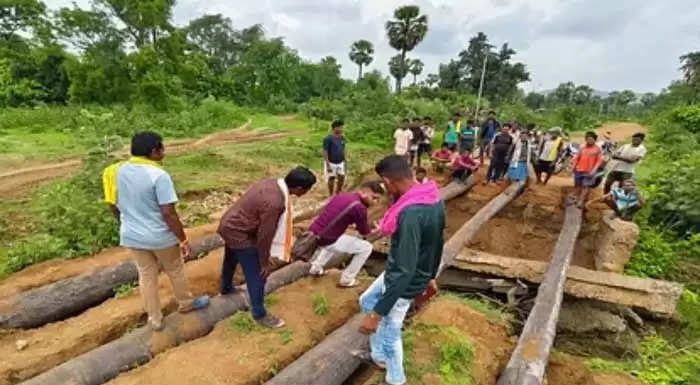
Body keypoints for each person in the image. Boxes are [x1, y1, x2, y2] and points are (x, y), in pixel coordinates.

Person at [102, 131, 210, 331]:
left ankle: (155, 318)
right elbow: (168, 213)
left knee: (146, 275)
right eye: (162, 148)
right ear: (153, 151)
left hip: (132, 236)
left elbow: (112, 205)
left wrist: (126, 223)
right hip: (160, 237)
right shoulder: (159, 175)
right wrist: (183, 238)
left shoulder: (115, 171)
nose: (164, 153)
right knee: (175, 269)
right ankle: (186, 304)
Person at [354, 155, 445, 385]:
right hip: (407, 273)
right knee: (366, 299)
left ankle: (396, 378)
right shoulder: (432, 197)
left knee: (390, 329)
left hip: (404, 280)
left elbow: (405, 270)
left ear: (389, 180)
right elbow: (438, 242)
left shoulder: (410, 214)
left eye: (384, 185)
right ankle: (379, 357)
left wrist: (376, 315)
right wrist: (431, 275)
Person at [218, 167, 317, 328]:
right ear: (299, 188)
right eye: (308, 189)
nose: (307, 192)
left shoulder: (272, 184)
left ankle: (226, 288)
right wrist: (264, 261)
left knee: (231, 257)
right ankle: (260, 314)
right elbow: (265, 235)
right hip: (239, 232)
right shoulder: (275, 203)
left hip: (230, 224)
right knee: (258, 274)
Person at [309, 181, 385, 287]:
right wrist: (376, 231)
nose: (375, 202)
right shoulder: (360, 207)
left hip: (314, 233)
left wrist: (354, 225)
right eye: (374, 198)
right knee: (366, 247)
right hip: (327, 239)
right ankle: (347, 279)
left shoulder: (343, 196)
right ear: (364, 192)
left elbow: (339, 216)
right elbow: (365, 233)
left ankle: (316, 267)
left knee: (338, 236)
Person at [572, 131, 603, 209]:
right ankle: (576, 197)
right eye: (588, 139)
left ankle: (581, 201)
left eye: (591, 139)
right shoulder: (582, 147)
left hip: (589, 171)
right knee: (578, 185)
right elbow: (577, 157)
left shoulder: (597, 149)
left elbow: (599, 161)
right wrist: (574, 166)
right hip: (579, 169)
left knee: (586, 186)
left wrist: (594, 170)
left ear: (595, 140)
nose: (589, 141)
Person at [323, 120, 346, 196]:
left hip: (340, 162)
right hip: (331, 162)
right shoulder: (328, 139)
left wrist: (344, 159)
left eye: (342, 127)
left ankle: (338, 192)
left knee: (342, 177)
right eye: (339, 127)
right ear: (334, 128)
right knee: (331, 178)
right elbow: (325, 152)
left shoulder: (342, 137)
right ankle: (330, 194)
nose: (341, 129)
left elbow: (343, 148)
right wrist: (328, 164)